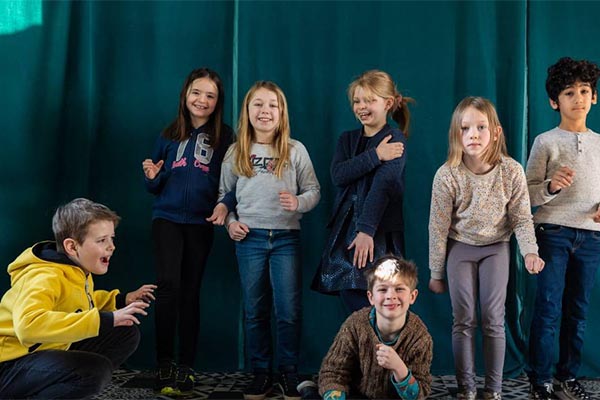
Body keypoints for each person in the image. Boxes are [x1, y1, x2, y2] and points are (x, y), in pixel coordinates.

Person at [428, 97, 545, 400]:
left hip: (496, 248)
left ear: (496, 132)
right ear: (456, 134)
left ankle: (493, 389)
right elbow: (438, 227)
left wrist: (530, 252)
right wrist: (436, 272)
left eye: (481, 127)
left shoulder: (511, 171)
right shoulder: (447, 174)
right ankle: (466, 388)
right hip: (460, 247)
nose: (473, 135)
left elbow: (521, 218)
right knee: (463, 318)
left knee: (493, 318)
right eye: (465, 128)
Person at [219, 81, 320, 400]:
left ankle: (289, 371)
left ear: (282, 112)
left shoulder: (295, 149)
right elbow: (224, 197)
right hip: (249, 239)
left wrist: (298, 202)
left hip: (286, 238)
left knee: (288, 310)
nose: (265, 111)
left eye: (272, 105)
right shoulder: (236, 151)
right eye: (258, 104)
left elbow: (314, 191)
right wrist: (230, 224)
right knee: (255, 309)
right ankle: (260, 372)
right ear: (247, 111)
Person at [0, 198, 154, 399]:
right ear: (72, 247)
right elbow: (28, 326)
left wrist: (120, 300)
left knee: (125, 332)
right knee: (92, 371)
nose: (112, 247)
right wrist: (104, 319)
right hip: (9, 364)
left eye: (111, 238)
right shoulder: (44, 277)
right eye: (102, 240)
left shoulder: (77, 270)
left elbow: (77, 303)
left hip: (43, 351)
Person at [142, 67, 234, 395]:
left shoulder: (225, 136)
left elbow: (234, 179)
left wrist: (225, 204)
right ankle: (164, 363)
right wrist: (153, 177)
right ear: (185, 95)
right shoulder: (169, 133)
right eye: (197, 92)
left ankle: (186, 365)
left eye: (210, 95)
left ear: (218, 101)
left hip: (200, 221)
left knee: (190, 291)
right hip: (166, 218)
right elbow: (153, 183)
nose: (202, 100)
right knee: (168, 286)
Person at [525, 57, 600, 400]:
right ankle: (540, 379)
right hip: (552, 233)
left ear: (594, 97)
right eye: (569, 92)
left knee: (578, 312)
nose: (578, 98)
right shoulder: (545, 142)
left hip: (591, 237)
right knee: (548, 309)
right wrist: (551, 186)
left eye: (584, 91)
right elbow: (526, 194)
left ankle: (566, 377)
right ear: (555, 102)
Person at [312, 70, 411, 314]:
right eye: (357, 101)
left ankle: (381, 339)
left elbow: (383, 185)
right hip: (346, 233)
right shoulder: (347, 140)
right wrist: (376, 155)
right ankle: (364, 339)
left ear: (387, 103)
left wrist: (366, 230)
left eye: (370, 100)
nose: (362, 106)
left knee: (381, 298)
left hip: (378, 233)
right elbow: (339, 175)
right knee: (351, 296)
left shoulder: (394, 138)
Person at [318, 255, 432, 400]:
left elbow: (419, 394)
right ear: (371, 297)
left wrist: (399, 368)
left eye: (399, 289)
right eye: (383, 289)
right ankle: (308, 390)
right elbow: (332, 373)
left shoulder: (420, 337)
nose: (391, 296)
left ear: (412, 296)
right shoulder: (355, 325)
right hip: (357, 394)